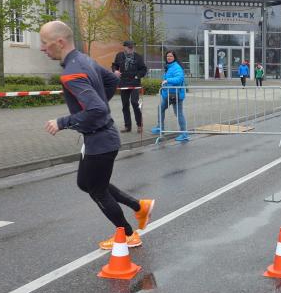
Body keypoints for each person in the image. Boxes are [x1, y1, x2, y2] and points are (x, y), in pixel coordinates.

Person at [39, 21, 155, 250]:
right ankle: (139, 206)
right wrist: (98, 103)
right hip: (97, 137)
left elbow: (97, 109)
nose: (42, 48)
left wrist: (62, 122)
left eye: (44, 43)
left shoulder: (72, 73)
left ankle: (128, 234)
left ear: (59, 42)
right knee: (86, 183)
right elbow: (112, 80)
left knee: (96, 189)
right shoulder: (84, 60)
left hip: (101, 139)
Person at [151, 50, 189, 142]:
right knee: (161, 108)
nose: (169, 57)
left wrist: (168, 80)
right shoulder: (169, 67)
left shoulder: (176, 67)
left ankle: (184, 134)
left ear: (174, 57)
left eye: (171, 56)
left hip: (176, 95)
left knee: (179, 114)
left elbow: (179, 79)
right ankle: (160, 127)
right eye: (167, 56)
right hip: (168, 95)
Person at [111, 40, 148, 133]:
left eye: (132, 47)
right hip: (123, 83)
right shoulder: (119, 55)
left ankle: (139, 125)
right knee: (125, 105)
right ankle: (127, 126)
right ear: (125, 47)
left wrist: (137, 76)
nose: (131, 49)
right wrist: (115, 71)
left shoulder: (138, 57)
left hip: (135, 83)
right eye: (129, 47)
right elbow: (114, 65)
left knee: (135, 103)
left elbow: (143, 69)